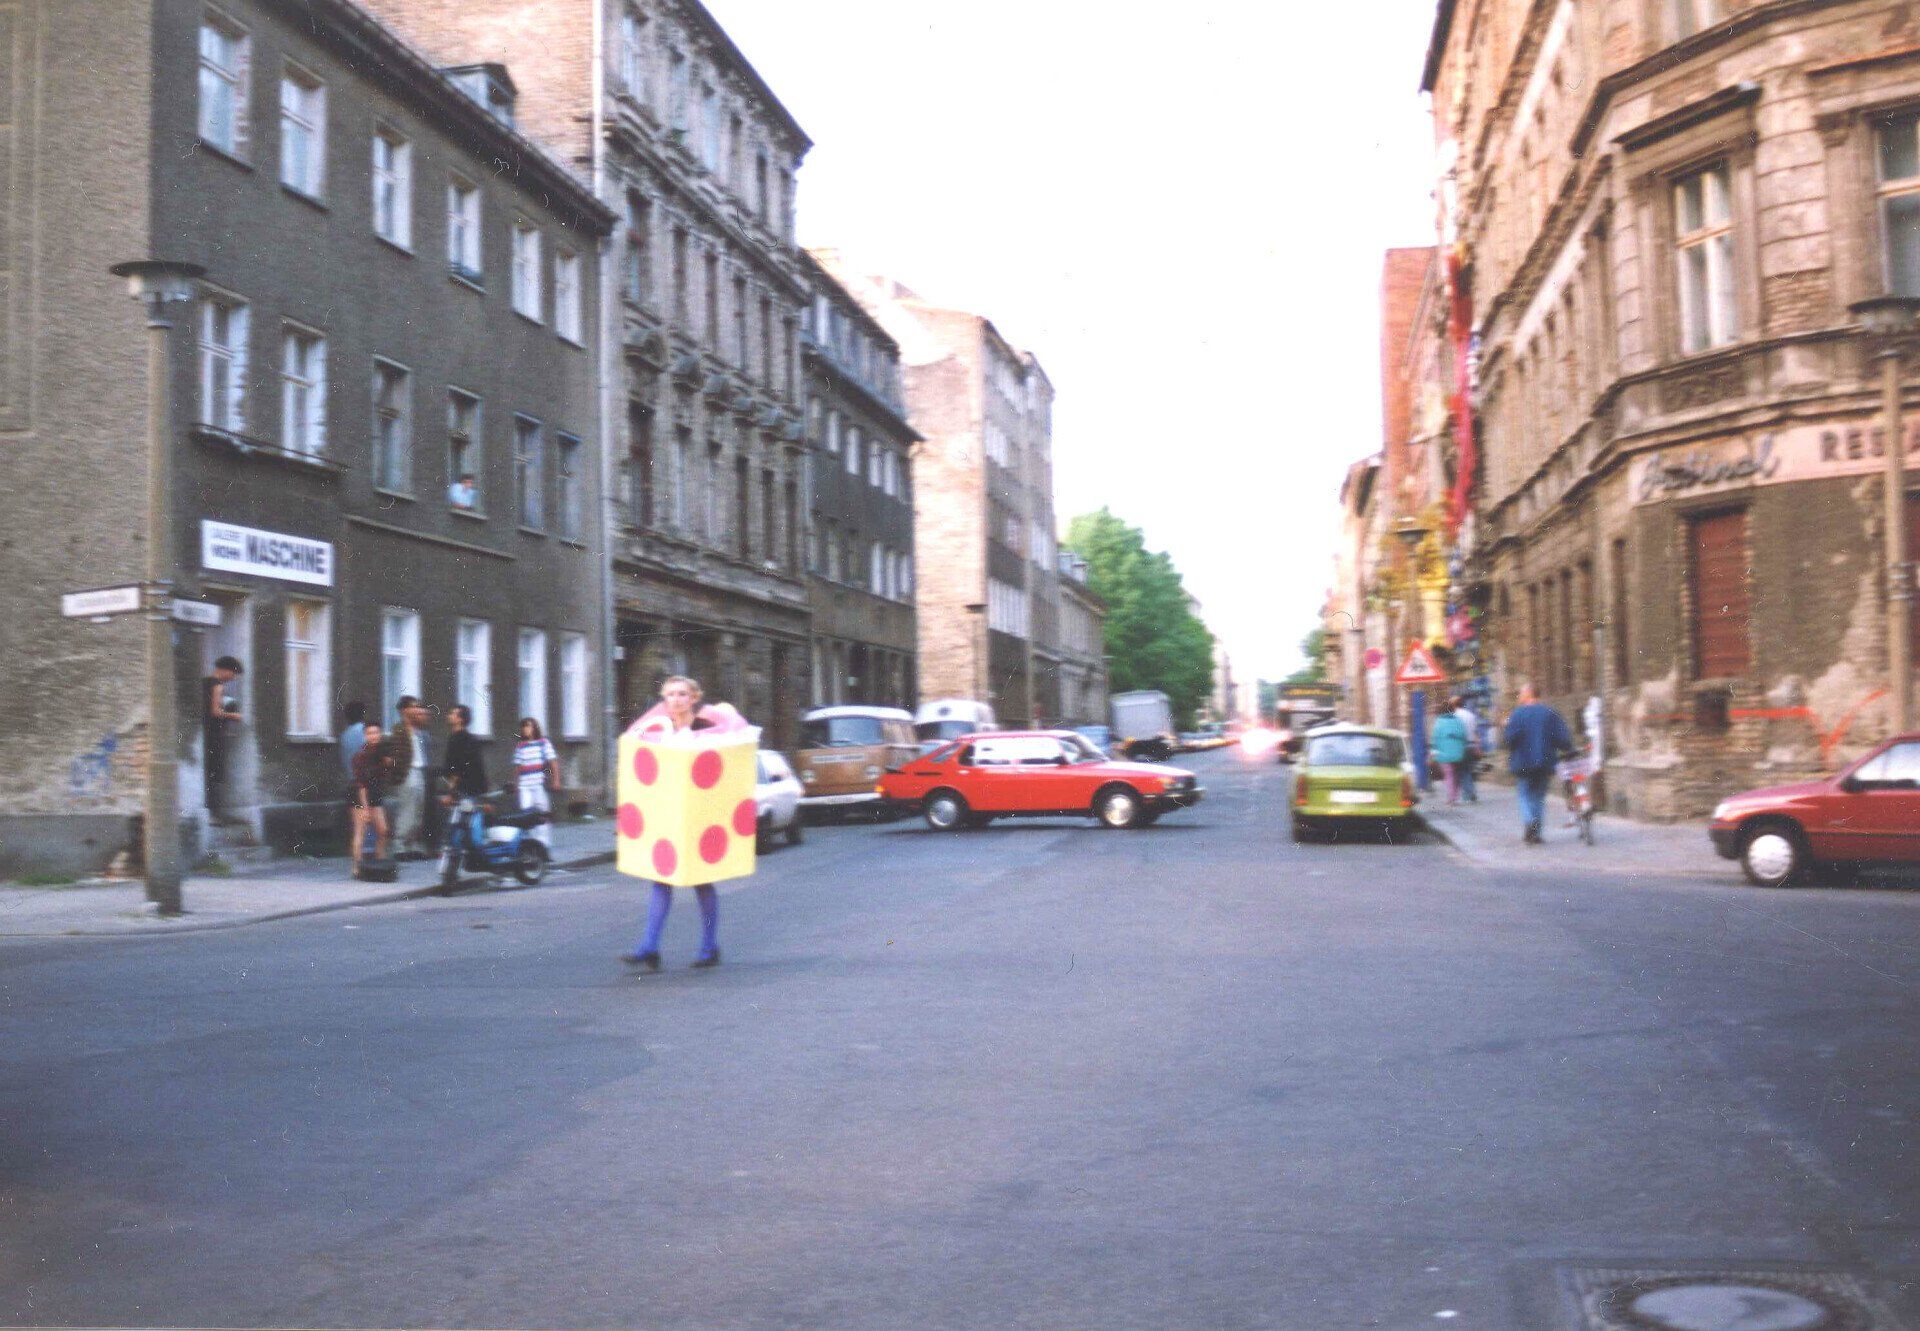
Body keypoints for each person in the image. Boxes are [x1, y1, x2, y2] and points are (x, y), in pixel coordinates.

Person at [620, 675, 750, 972]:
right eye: (670, 695)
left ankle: (709, 946)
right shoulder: (657, 726)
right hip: (668, 816)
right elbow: (634, 744)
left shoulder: (709, 724)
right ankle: (649, 947)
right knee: (661, 879)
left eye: (682, 694)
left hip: (702, 815)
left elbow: (735, 747)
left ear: (694, 697)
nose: (675, 700)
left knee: (702, 880)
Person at [1503, 681, 1574, 845]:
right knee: (1539, 798)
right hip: (1545, 762)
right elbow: (1562, 738)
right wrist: (1568, 749)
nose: (1519, 696)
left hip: (1523, 762)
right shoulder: (1550, 713)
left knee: (1524, 794)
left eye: (1521, 693)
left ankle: (1529, 822)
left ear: (1528, 694)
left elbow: (1509, 739)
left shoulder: (1517, 714)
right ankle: (1536, 833)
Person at [438, 705, 490, 891]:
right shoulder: (464, 738)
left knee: (465, 832)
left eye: (452, 712)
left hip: (468, 792)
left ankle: (475, 859)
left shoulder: (459, 740)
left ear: (460, 719)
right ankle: (457, 869)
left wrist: (450, 794)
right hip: (470, 791)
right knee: (460, 830)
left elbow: (456, 771)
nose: (448, 714)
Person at [348, 721, 398, 875]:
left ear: (380, 734)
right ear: (365, 736)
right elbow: (361, 785)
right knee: (360, 832)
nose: (373, 736)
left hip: (375, 794)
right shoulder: (360, 756)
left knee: (383, 831)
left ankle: (379, 862)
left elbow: (388, 773)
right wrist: (365, 809)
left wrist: (389, 763)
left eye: (376, 733)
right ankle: (356, 867)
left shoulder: (382, 754)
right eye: (370, 733)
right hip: (359, 795)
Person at [390, 696, 437, 859]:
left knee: (419, 809)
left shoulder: (419, 731)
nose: (417, 710)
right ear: (404, 711)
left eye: (417, 707)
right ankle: (400, 845)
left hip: (420, 771)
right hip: (408, 772)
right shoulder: (399, 730)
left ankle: (413, 845)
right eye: (413, 707)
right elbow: (394, 755)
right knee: (407, 809)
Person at [202, 655, 245, 823]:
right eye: (233, 674)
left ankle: (211, 812)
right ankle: (214, 814)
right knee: (216, 773)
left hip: (205, 733)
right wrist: (233, 715)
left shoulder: (204, 682)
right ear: (226, 670)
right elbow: (215, 711)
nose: (233, 678)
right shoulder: (217, 686)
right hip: (214, 734)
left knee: (209, 772)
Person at [512, 717, 561, 850]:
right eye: (523, 726)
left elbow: (553, 762)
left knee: (542, 813)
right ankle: (532, 845)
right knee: (526, 815)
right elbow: (517, 767)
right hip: (524, 786)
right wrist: (516, 784)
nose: (525, 729)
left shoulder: (543, 743)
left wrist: (556, 780)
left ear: (535, 728)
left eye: (528, 726)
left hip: (539, 784)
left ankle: (544, 845)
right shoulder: (520, 746)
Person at [1429, 702, 1470, 805]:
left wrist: (1433, 751)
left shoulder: (1439, 722)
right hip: (1458, 753)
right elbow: (1464, 736)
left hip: (1443, 754)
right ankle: (1455, 795)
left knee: (1449, 775)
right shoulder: (1458, 721)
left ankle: (1451, 798)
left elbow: (1435, 738)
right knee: (1456, 775)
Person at [1454, 695, 1482, 803]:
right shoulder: (1471, 715)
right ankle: (1471, 792)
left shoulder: (1455, 716)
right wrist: (1478, 747)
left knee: (1462, 772)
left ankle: (1469, 794)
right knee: (1468, 771)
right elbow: (1475, 733)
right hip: (1471, 746)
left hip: (1460, 746)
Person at [338, 700, 368, 779]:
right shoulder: (367, 732)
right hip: (365, 780)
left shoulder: (344, 736)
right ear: (363, 713)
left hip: (350, 779)